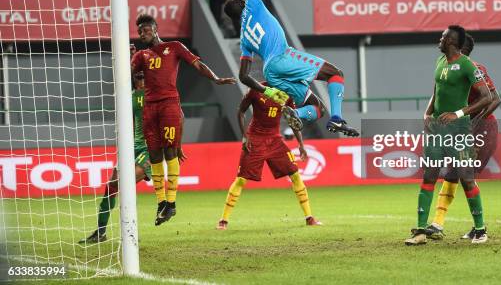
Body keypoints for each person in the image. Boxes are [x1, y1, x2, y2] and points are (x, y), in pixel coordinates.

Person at [218, 0, 359, 137]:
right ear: (242, 2)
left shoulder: (244, 36)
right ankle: (338, 119)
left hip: (270, 74)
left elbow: (244, 76)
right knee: (335, 74)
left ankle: (296, 114)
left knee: (318, 107)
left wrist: (267, 90)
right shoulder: (252, 3)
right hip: (283, 57)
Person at [131, 14, 236, 226]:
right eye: (140, 32)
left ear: (155, 28)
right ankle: (161, 202)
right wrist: (127, 58)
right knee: (154, 155)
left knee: (170, 151)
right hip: (149, 107)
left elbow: (198, 65)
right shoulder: (141, 56)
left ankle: (171, 203)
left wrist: (216, 79)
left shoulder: (174, 47)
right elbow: (127, 76)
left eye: (145, 29)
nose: (142, 34)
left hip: (169, 103)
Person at [405, 25, 492, 246]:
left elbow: (487, 97)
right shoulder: (440, 62)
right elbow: (436, 90)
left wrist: (459, 113)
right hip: (437, 130)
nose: (439, 39)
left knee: (467, 178)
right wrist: (427, 112)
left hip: (459, 131)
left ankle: (480, 230)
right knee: (429, 177)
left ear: (452, 41)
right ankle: (421, 232)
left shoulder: (467, 65)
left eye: (443, 36)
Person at [425, 34, 501, 241]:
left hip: (482, 128)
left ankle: (478, 228)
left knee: (463, 175)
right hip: (460, 128)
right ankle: (438, 223)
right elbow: (437, 91)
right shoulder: (446, 67)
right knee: (452, 172)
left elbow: (495, 99)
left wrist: (476, 121)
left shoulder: (474, 68)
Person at [216, 82, 321, 230]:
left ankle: (309, 218)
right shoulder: (256, 89)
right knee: (241, 180)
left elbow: (292, 119)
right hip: (255, 140)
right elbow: (240, 111)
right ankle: (223, 220)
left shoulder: (286, 93)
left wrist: (301, 144)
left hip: (275, 141)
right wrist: (244, 137)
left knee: (295, 175)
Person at [80, 67, 151, 243]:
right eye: (138, 77)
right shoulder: (129, 97)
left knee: (124, 184)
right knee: (111, 187)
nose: (141, 80)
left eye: (144, 76)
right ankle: (100, 232)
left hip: (150, 149)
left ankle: (131, 233)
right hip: (130, 147)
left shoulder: (155, 96)